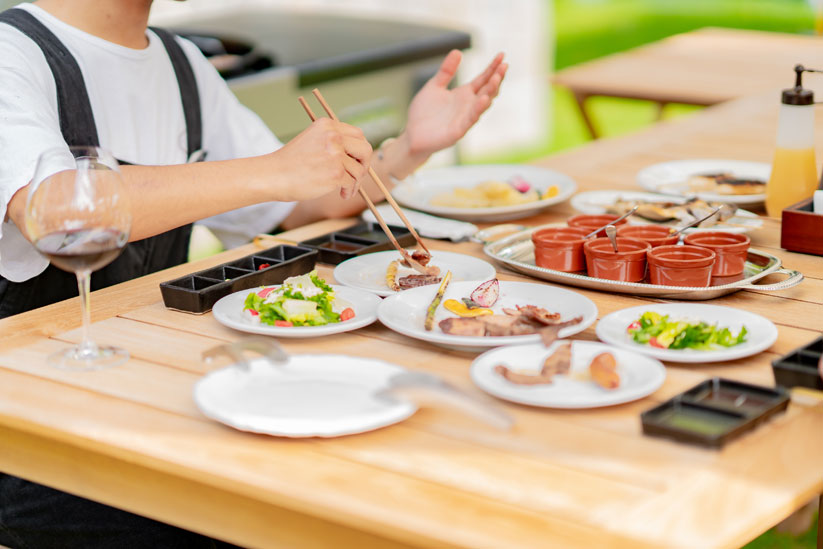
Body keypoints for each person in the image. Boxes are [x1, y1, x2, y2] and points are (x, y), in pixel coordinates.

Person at [0, 0, 506, 546]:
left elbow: (298, 208)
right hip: (31, 439)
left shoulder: (180, 63)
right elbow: (55, 211)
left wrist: (407, 149)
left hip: (147, 388)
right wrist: (274, 170)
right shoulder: (13, 53)